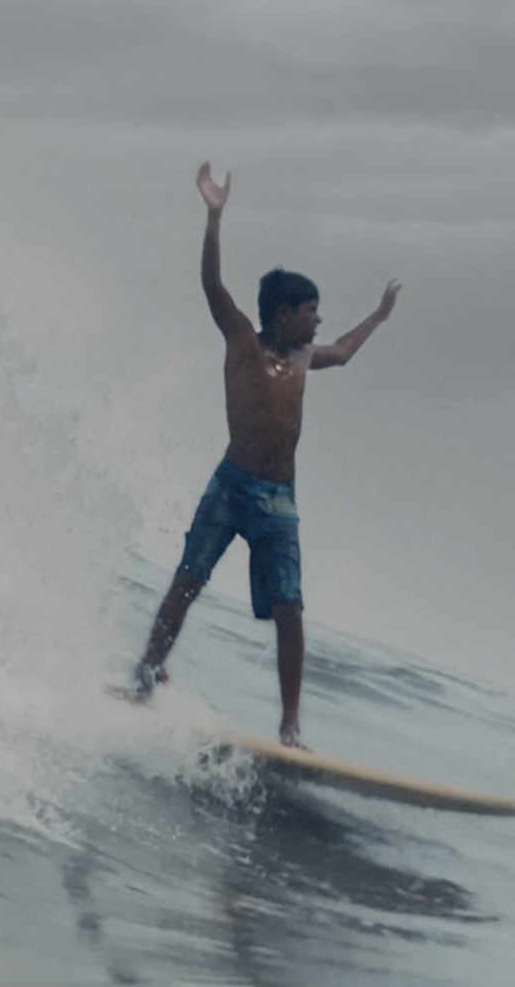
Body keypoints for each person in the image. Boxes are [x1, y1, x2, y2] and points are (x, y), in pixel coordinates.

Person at [129, 161, 399, 750]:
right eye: (311, 310)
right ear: (284, 312)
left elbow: (346, 352)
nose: (318, 319)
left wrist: (379, 316)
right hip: (230, 487)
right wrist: (214, 216)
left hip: (279, 500)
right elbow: (212, 288)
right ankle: (144, 676)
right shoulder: (242, 342)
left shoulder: (305, 359)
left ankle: (290, 725)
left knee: (290, 609)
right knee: (187, 581)